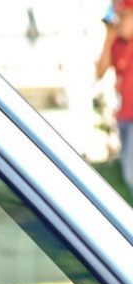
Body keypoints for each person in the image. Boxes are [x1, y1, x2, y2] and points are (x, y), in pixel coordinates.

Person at [97, 0, 133, 195]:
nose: (120, 22)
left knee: (131, 173)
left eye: (126, 17)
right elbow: (100, 71)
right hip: (124, 118)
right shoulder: (117, 44)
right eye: (118, 17)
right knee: (128, 174)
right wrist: (108, 39)